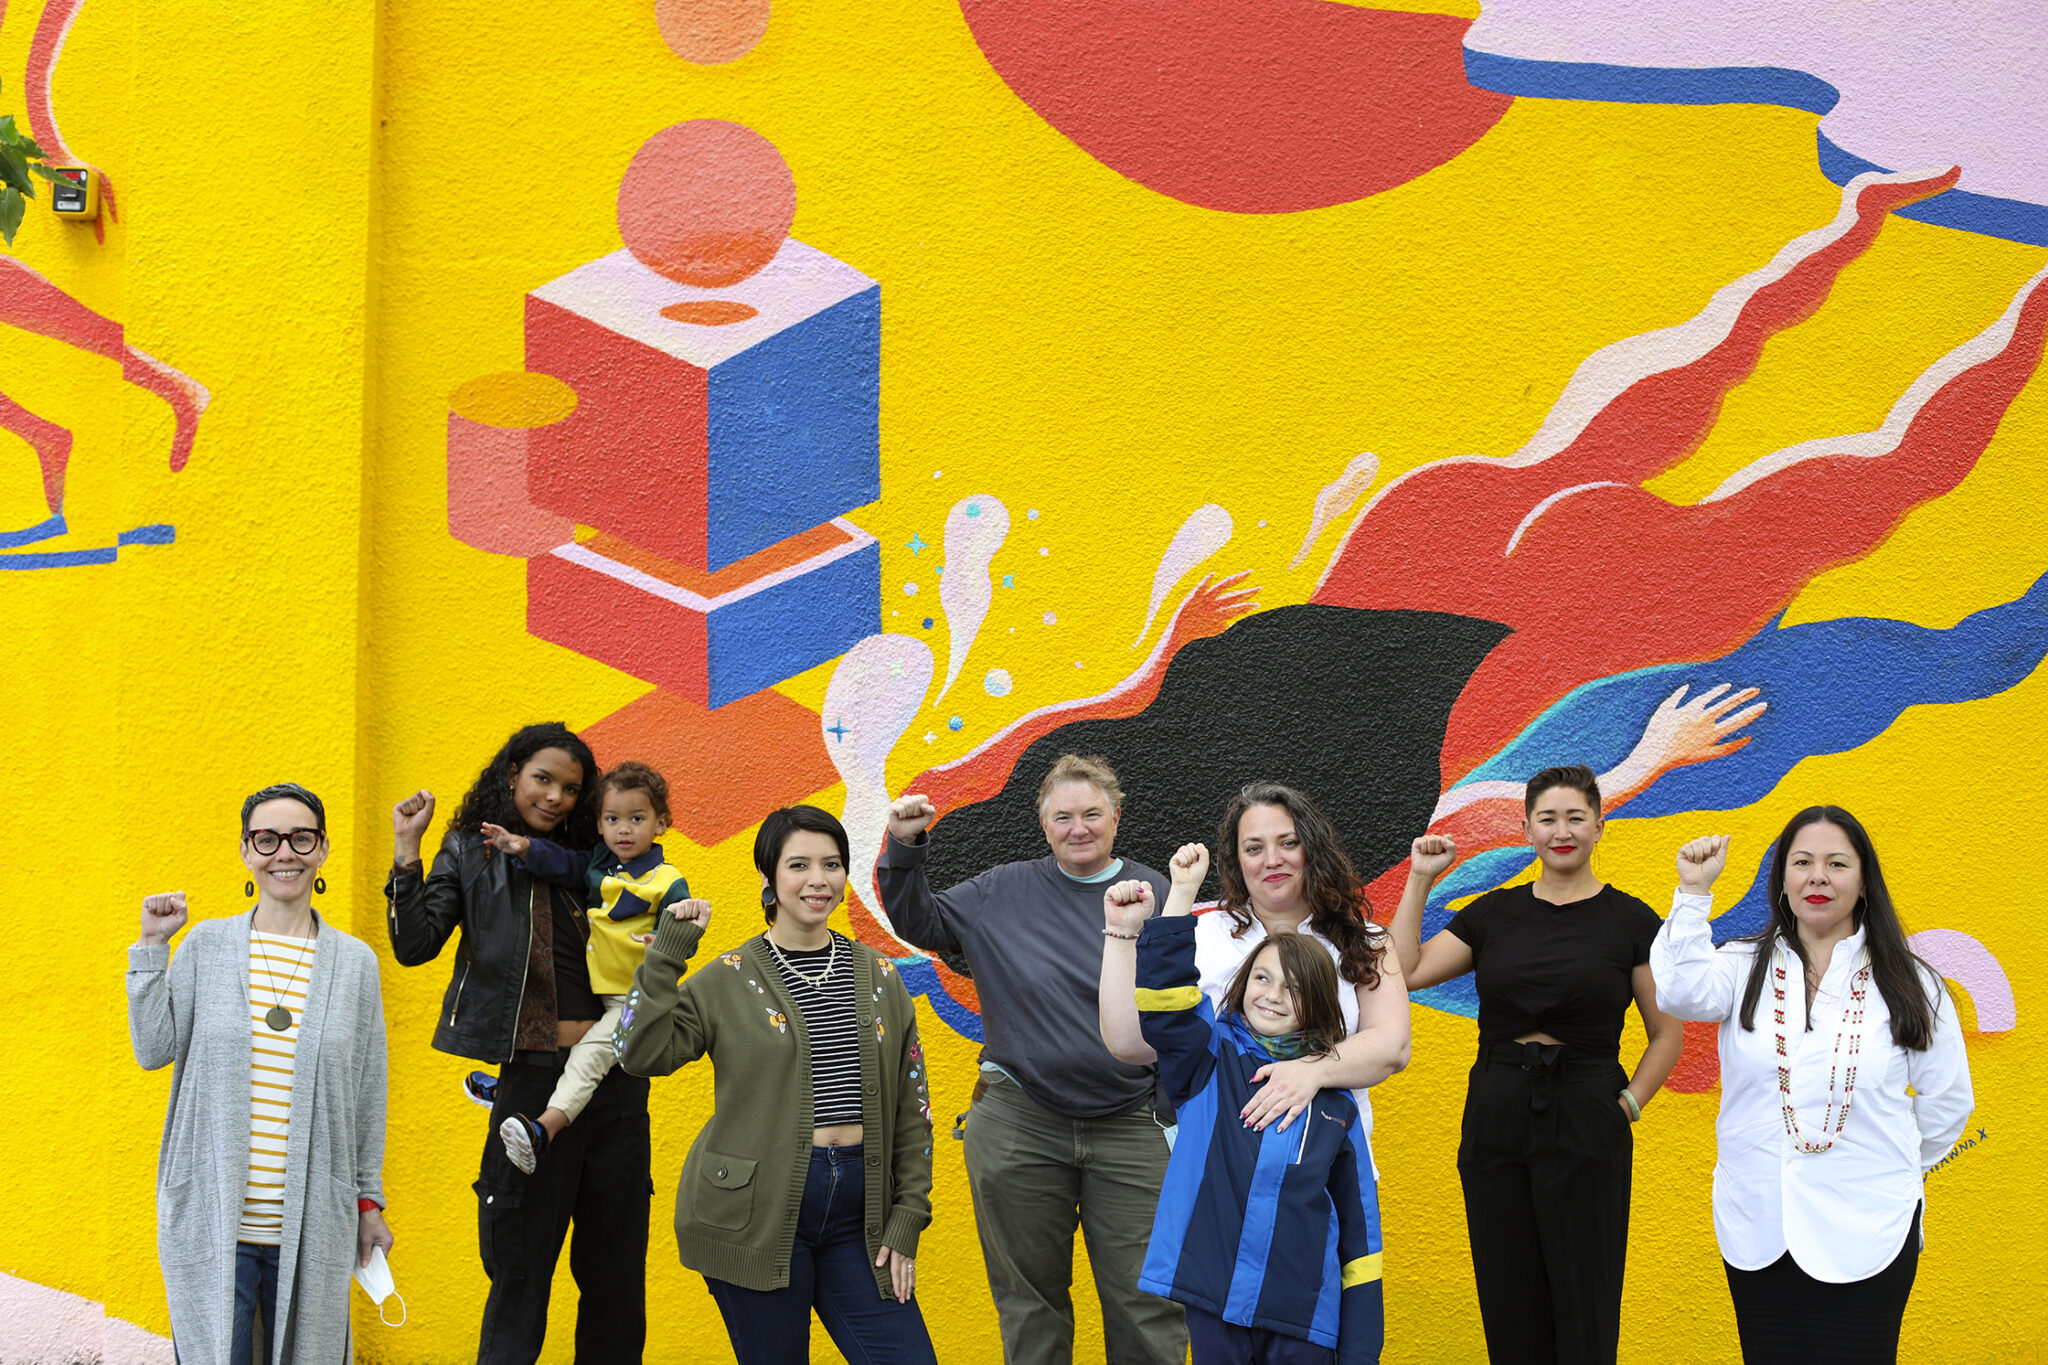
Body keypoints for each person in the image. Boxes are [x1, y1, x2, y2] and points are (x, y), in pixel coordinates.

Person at [878, 753, 1188, 1365]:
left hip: (1134, 1123)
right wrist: (904, 845)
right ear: (1043, 826)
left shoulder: (1157, 893)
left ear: (1117, 819)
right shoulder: (1001, 891)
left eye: (1093, 814)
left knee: (1148, 1302)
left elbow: (1190, 1001)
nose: (1079, 828)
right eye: (1063, 817)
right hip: (1021, 1122)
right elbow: (920, 919)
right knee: (1030, 1305)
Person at [616, 805, 936, 1365]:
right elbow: (641, 1054)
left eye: (832, 864)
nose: (818, 879)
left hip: (860, 1218)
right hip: (755, 1215)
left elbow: (913, 1109)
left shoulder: (882, 978)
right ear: (769, 879)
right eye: (799, 865)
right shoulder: (724, 979)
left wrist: (908, 1216)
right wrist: (666, 955)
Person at [1650, 812, 1973, 1364]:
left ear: (1864, 880)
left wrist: (1890, 1172)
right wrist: (1693, 893)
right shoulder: (1739, 966)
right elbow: (1679, 992)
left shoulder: (1912, 983)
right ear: (1781, 881)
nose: (1817, 877)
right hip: (1759, 1225)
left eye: (1836, 864)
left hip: (1870, 1226)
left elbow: (1947, 1103)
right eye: (1802, 863)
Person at [1389, 764, 1683, 1365]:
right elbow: (1406, 970)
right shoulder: (1493, 914)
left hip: (1587, 1105)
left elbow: (1666, 1034)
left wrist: (1627, 1105)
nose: (1562, 830)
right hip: (1498, 1106)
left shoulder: (1631, 921)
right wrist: (1421, 879)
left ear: (1601, 825)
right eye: (1547, 819)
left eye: (1576, 817)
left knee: (1585, 1291)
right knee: (1508, 1290)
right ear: (1527, 829)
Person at [385, 722, 650, 1364]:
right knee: (519, 1272)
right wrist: (406, 849)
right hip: (531, 1080)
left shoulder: (598, 860)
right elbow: (414, 945)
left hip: (613, 1084)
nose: (555, 797)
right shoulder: (468, 853)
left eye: (570, 788)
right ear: (511, 775)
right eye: (542, 779)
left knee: (615, 1282)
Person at [127, 783, 391, 1365]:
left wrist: (369, 1204)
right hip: (214, 1215)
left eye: (301, 837)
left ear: (321, 849)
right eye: (266, 839)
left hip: (315, 1220)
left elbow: (368, 1094)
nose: (284, 853)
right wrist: (150, 948)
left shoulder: (355, 965)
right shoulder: (206, 945)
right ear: (247, 851)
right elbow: (152, 1049)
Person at [1107, 869, 1384, 1364]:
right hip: (1213, 1299)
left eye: (1294, 988)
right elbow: (1165, 1004)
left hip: (1303, 1317)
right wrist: (1183, 896)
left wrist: (1361, 1350)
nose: (1273, 995)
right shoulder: (1208, 1058)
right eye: (1262, 977)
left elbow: (1361, 1242)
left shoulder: (1336, 1107)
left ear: (1319, 1005)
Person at [1098, 785, 1409, 1149]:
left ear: (1313, 848)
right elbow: (1131, 1043)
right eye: (1254, 848)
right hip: (1216, 1166)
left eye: (1289, 842)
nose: (1272, 859)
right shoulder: (1202, 934)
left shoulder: (1365, 939)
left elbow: (1393, 1046)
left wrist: (1309, 1072)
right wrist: (1121, 934)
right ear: (1237, 861)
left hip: (1327, 1165)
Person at [478, 760, 691, 1173]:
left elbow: (683, 930)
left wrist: (662, 942)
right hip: (592, 990)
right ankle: (506, 1085)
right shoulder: (599, 865)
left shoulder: (667, 880)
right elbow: (561, 864)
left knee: (589, 1059)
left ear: (661, 823)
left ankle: (543, 1128)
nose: (623, 829)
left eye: (637, 818)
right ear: (599, 823)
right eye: (613, 819)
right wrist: (523, 846)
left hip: (630, 1000)